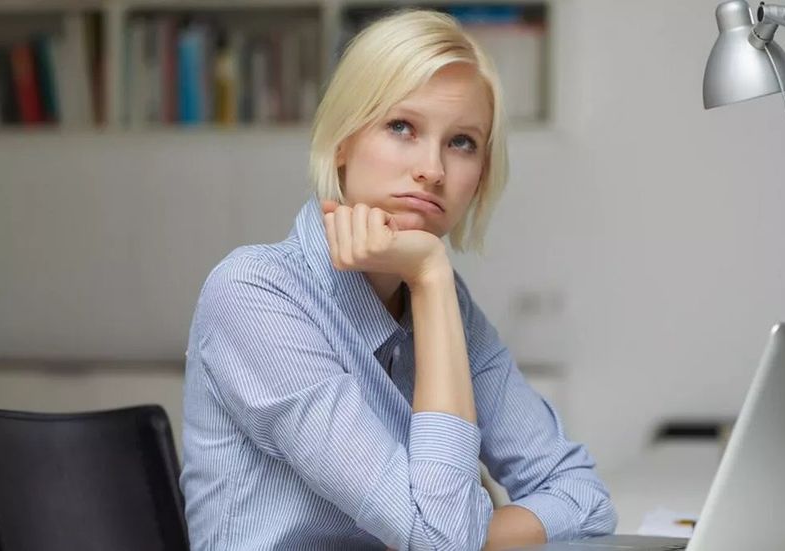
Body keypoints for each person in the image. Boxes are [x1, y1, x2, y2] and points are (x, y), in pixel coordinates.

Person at [180, 9, 617, 550]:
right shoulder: (252, 295)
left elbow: (584, 497)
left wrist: (431, 283)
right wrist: (432, 272)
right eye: (401, 127)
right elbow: (441, 541)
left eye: (462, 142)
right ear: (342, 141)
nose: (432, 169)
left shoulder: (441, 302)